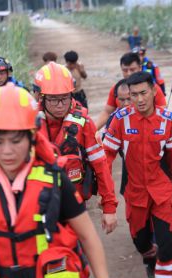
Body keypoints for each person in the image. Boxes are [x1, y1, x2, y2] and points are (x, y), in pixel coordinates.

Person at [0, 83, 136, 278]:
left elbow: (87, 236)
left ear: (31, 136)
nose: (7, 151)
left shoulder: (53, 179)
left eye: (16, 141)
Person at [103, 71, 172, 278]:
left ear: (154, 91)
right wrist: (107, 196)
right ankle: (149, 257)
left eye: (143, 93)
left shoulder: (167, 120)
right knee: (140, 239)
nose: (139, 99)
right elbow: (106, 157)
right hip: (135, 191)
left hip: (161, 190)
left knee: (166, 243)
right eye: (133, 94)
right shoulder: (121, 120)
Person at [34, 62, 118, 234]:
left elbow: (100, 165)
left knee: (78, 252)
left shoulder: (84, 124)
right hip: (38, 203)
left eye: (65, 98)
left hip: (74, 202)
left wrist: (109, 207)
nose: (60, 105)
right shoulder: (28, 122)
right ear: (41, 97)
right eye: (53, 99)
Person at [95, 52, 166, 130]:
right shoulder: (117, 88)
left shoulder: (152, 88)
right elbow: (107, 112)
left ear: (140, 68)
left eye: (132, 70)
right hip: (122, 129)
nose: (129, 73)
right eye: (125, 70)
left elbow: (162, 112)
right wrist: (92, 131)